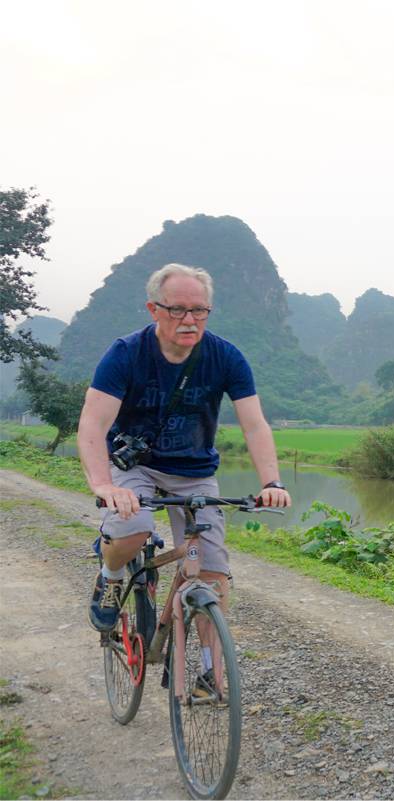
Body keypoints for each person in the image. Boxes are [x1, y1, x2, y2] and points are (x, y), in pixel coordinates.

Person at [78, 263, 291, 636]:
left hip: (194, 472)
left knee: (211, 574)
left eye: (199, 310)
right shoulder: (126, 353)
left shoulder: (226, 357)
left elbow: (254, 425)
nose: (189, 319)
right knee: (133, 527)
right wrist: (104, 486)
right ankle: (110, 576)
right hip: (136, 466)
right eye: (177, 309)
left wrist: (272, 481)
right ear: (154, 309)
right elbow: (93, 425)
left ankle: (211, 674)